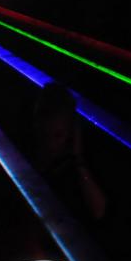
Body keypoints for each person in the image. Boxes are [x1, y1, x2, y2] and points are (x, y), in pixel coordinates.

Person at [32, 82, 106, 220]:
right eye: (45, 134)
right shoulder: (28, 153)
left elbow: (98, 210)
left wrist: (79, 161)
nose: (51, 144)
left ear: (71, 132)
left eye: (58, 135)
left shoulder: (74, 166)